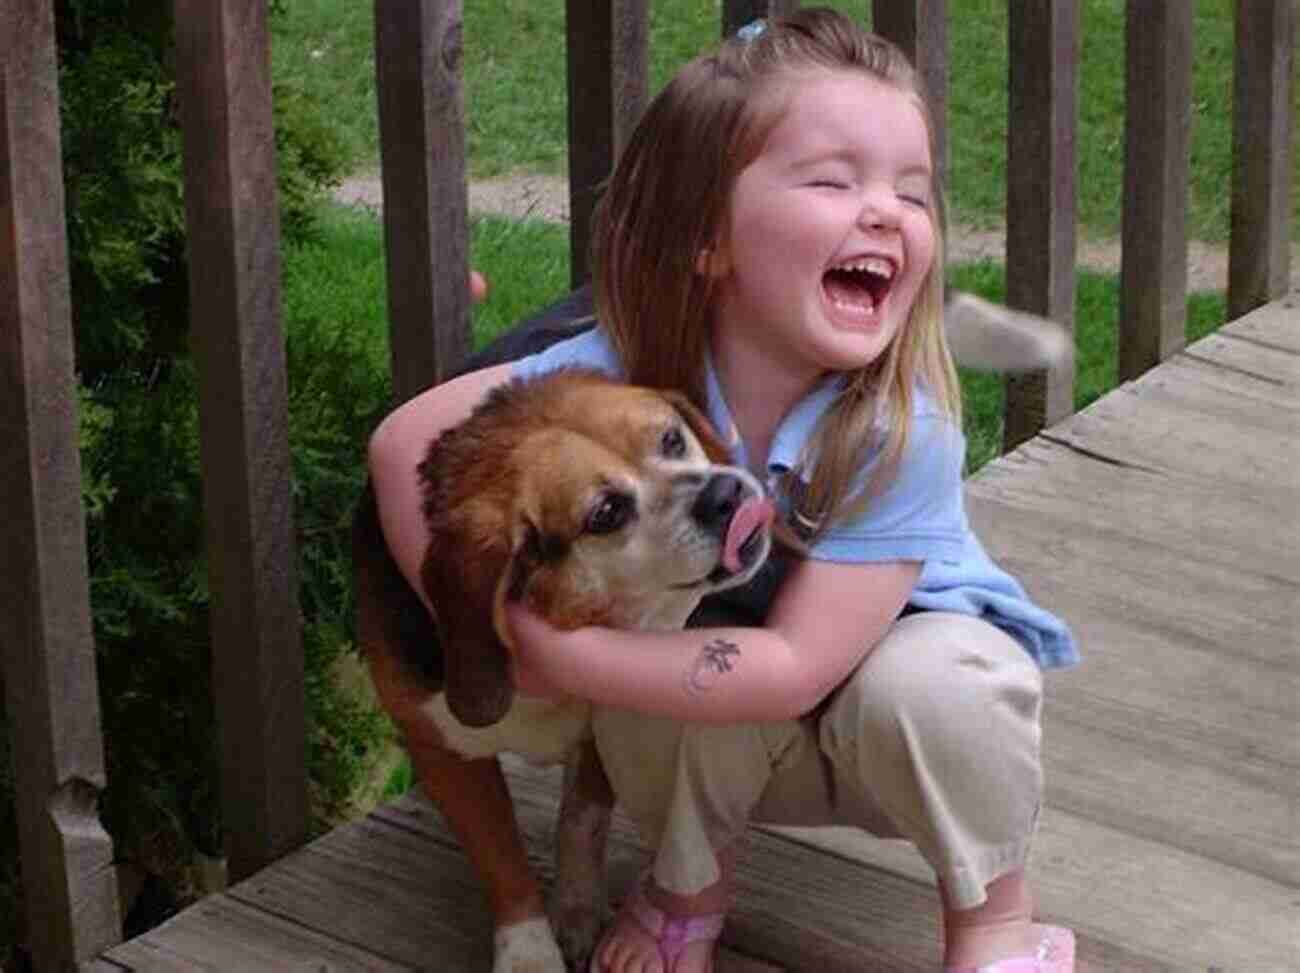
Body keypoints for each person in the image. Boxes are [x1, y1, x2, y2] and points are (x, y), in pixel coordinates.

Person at [367, 9, 1078, 972]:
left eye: (912, 192)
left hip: (890, 732)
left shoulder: (899, 426)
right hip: (748, 723)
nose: (887, 211)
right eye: (834, 180)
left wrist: (546, 649)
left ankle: (996, 918)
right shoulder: (619, 378)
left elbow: (791, 665)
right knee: (662, 649)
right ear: (707, 241)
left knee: (937, 689)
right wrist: (482, 635)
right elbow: (401, 440)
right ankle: (687, 890)